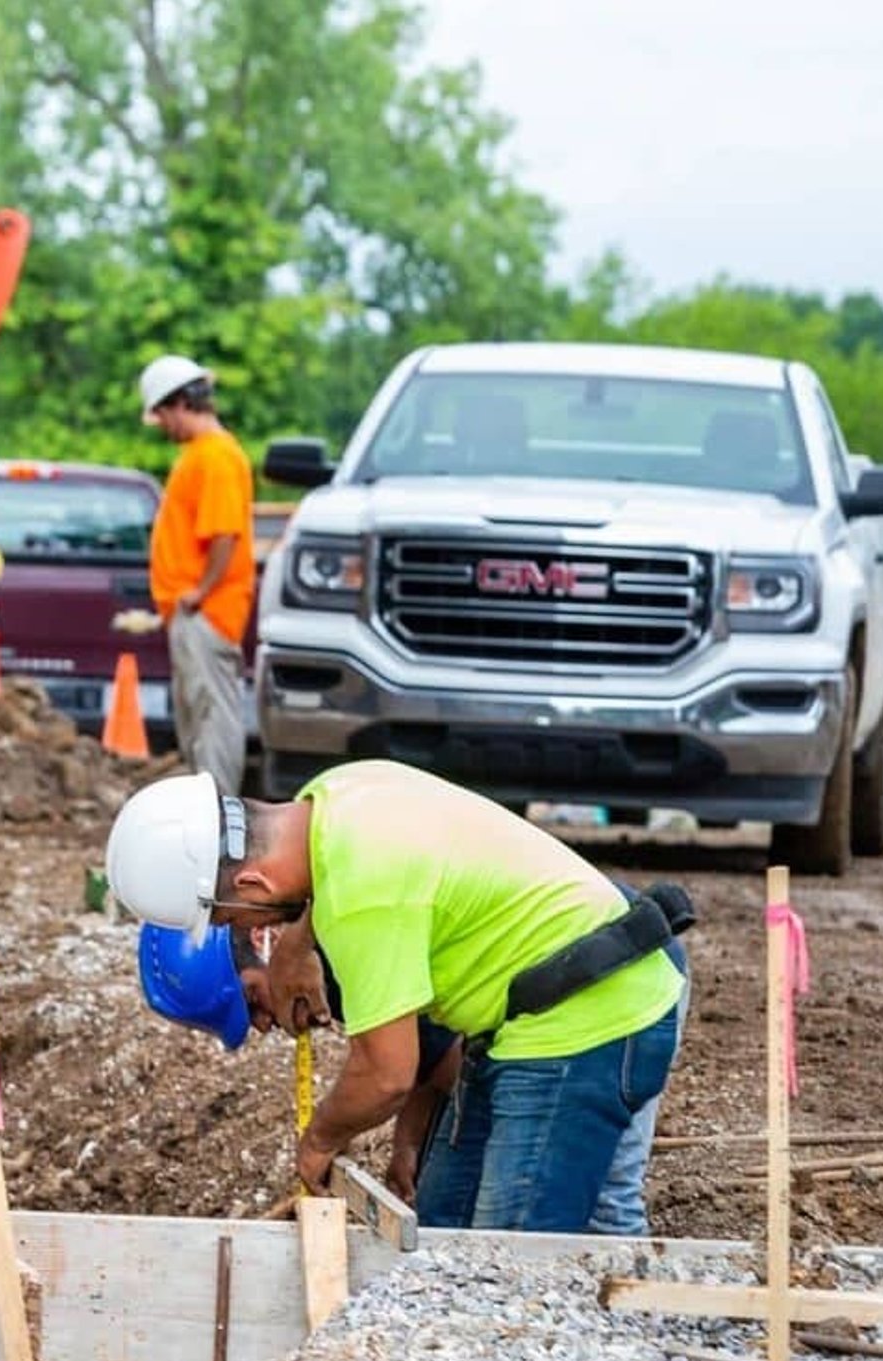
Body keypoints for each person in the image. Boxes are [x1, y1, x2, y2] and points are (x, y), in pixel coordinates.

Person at [110, 760, 689, 1233]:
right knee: (438, 1230)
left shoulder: (362, 898)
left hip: (589, 1013)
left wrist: (321, 1139)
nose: (239, 925)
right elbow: (367, 871)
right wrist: (296, 941)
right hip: (532, 1008)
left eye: (230, 915)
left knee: (509, 1263)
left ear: (252, 886)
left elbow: (387, 1074)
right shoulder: (335, 792)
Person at [136, 354, 256, 797]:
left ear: (181, 403)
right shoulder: (202, 456)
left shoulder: (217, 457)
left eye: (164, 414)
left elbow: (224, 534)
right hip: (194, 611)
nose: (163, 424)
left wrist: (200, 591)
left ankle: (218, 815)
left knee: (212, 714)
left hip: (207, 611)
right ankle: (205, 813)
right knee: (196, 714)